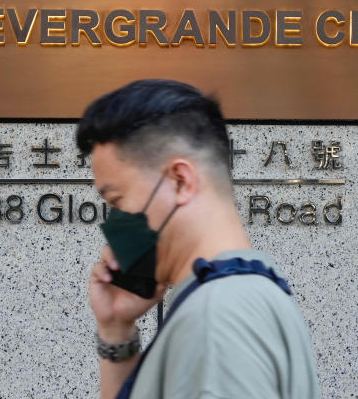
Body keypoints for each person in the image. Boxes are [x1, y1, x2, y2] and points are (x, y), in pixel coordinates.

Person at [77, 79, 322, 399]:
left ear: (180, 181)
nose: (115, 221)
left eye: (116, 201)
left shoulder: (218, 318)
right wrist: (116, 330)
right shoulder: (249, 291)